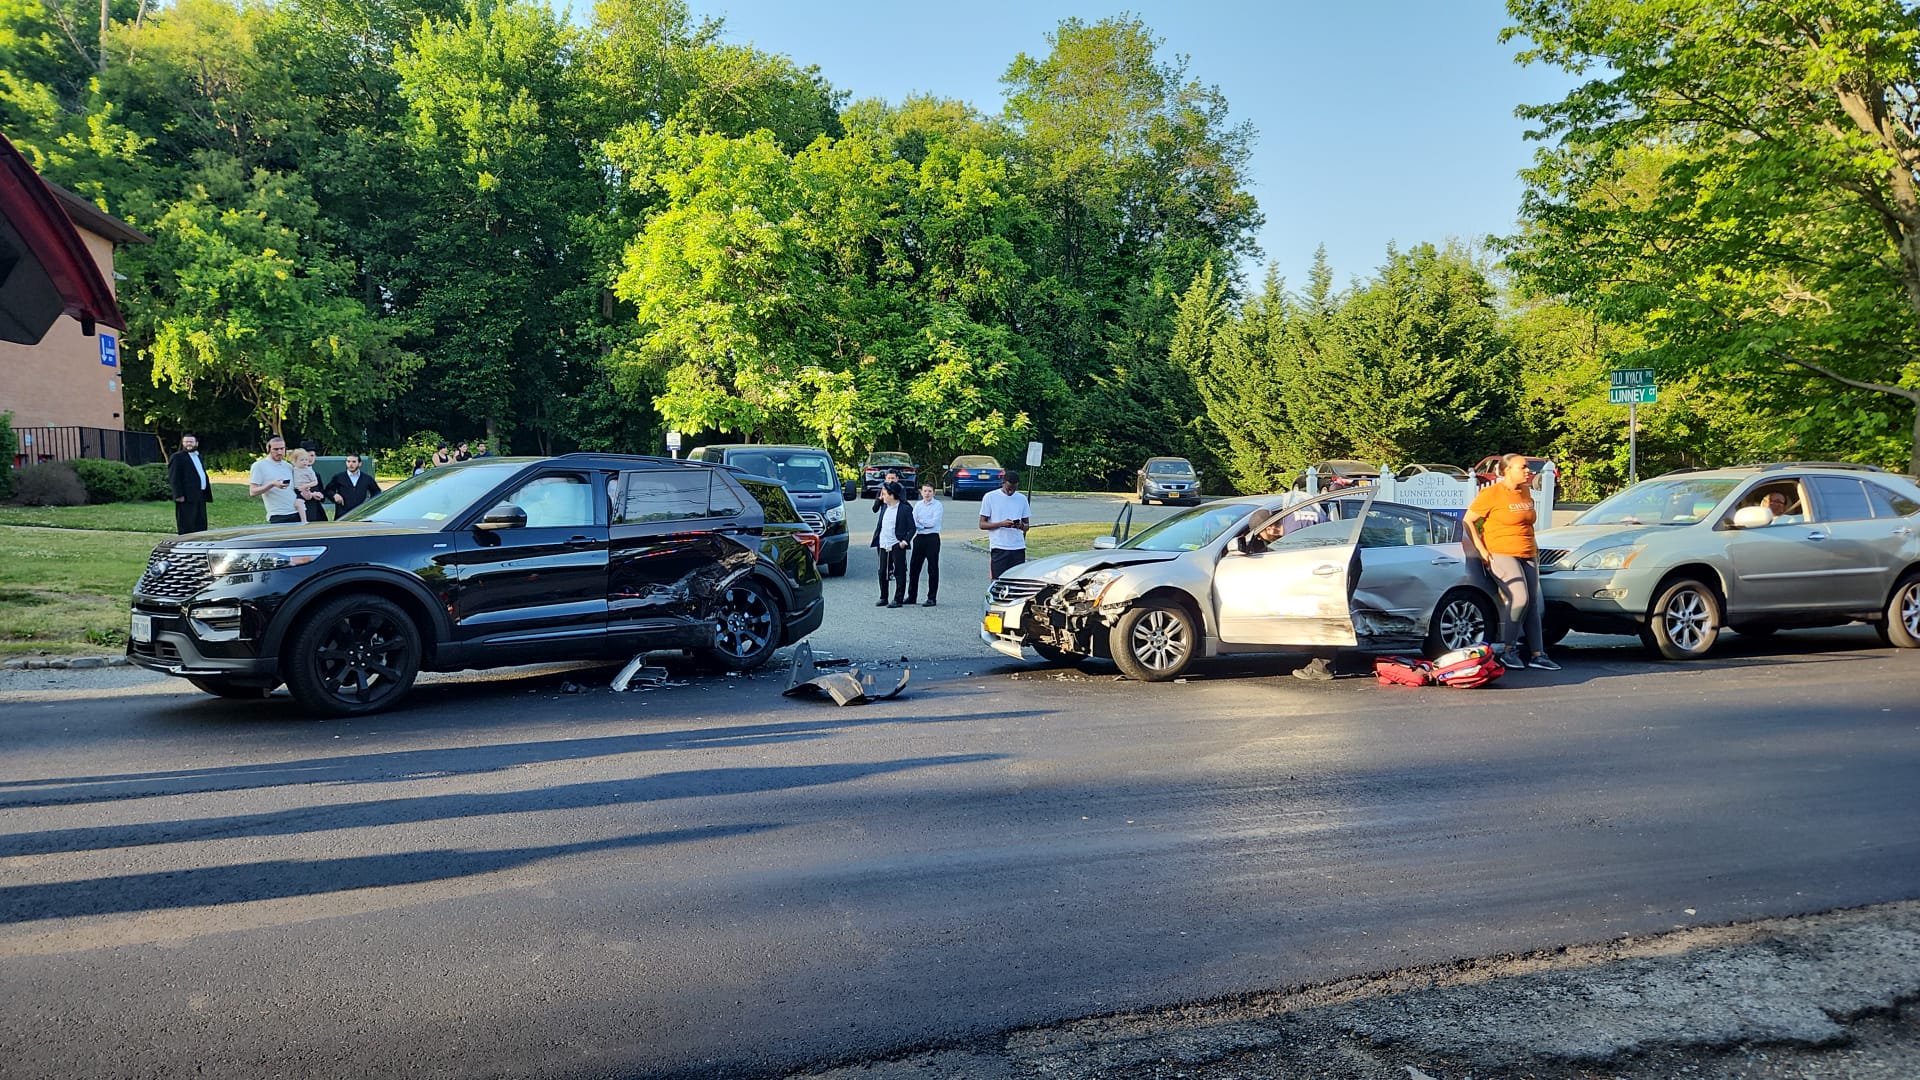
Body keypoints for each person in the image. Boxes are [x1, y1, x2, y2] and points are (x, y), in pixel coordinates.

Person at [1464, 453, 1558, 671]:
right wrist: (1481, 550)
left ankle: (1538, 654)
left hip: (1528, 552)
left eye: (1527, 468)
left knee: (1533, 603)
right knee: (1520, 598)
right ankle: (1509, 650)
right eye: (1522, 467)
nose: (1528, 471)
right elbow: (1468, 520)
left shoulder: (1525, 491)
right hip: (1500, 552)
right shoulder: (1492, 493)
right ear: (1506, 470)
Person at [870, 480, 916, 607]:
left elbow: (912, 528)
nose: (882, 496)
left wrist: (905, 541)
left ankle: (898, 599)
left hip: (897, 543)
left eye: (884, 494)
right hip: (884, 543)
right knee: (882, 571)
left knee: (899, 571)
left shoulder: (905, 509)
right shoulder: (885, 507)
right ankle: (883, 596)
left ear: (892, 495)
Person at [979, 469, 1031, 580]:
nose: (1010, 492)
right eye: (1008, 489)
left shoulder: (1022, 499)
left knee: (1016, 582)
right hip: (999, 546)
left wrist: (1020, 525)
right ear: (1003, 483)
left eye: (1013, 489)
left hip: (1018, 547)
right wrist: (1001, 524)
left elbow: (1027, 526)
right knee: (998, 581)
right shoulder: (990, 497)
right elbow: (982, 524)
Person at [166, 432, 212, 534]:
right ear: (183, 443)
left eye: (191, 442)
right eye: (186, 442)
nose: (188, 444)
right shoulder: (177, 457)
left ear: (196, 443)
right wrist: (178, 495)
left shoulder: (198, 456)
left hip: (200, 495)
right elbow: (174, 477)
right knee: (187, 523)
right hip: (186, 497)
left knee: (200, 522)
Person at [247, 435, 300, 524]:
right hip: (278, 514)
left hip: (296, 511)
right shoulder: (259, 466)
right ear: (268, 449)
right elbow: (253, 492)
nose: (279, 452)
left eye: (282, 449)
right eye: (276, 449)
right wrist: (272, 484)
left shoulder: (288, 466)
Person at [907, 482, 943, 606]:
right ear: (921, 492)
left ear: (934, 492)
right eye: (925, 491)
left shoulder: (937, 505)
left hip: (932, 538)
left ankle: (932, 598)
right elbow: (912, 521)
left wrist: (920, 521)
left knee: (932, 569)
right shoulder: (918, 505)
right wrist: (920, 523)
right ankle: (912, 596)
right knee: (914, 568)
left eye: (929, 491)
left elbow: (933, 522)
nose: (927, 494)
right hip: (920, 537)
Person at [325, 453, 382, 518]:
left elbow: (377, 492)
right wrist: (334, 495)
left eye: (354, 462)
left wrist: (369, 503)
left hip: (361, 514)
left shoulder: (367, 478)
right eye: (348, 461)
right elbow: (328, 490)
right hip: (342, 515)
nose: (350, 464)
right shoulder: (339, 477)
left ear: (360, 464)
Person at [290, 449, 327, 523]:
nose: (308, 460)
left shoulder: (314, 473)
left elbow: (322, 493)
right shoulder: (293, 470)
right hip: (299, 505)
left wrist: (317, 495)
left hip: (314, 507)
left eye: (312, 456)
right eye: (302, 459)